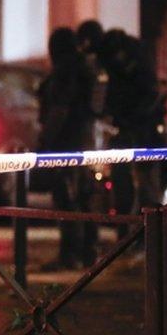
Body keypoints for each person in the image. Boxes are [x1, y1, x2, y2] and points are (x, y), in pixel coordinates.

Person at [38, 28, 98, 270]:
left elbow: (59, 110)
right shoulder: (84, 70)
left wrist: (45, 142)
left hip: (66, 146)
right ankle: (88, 252)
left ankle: (70, 255)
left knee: (67, 199)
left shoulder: (66, 72)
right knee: (84, 198)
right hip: (84, 143)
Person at [99, 29, 166, 238]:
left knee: (143, 186)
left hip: (139, 131)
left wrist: (127, 119)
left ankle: (144, 235)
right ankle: (134, 234)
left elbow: (148, 96)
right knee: (128, 184)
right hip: (130, 129)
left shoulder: (134, 65)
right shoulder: (128, 61)